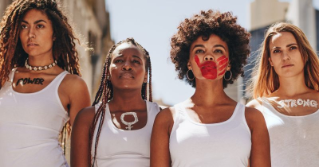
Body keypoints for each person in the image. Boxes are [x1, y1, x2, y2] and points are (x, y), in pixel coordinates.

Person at [151, 10, 270, 167]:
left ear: (229, 63)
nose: (208, 56)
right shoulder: (167, 120)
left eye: (217, 50)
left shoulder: (252, 119)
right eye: (200, 50)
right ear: (188, 63)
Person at [0, 0, 91, 167]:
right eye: (24, 26)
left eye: (39, 26)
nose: (31, 34)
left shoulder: (72, 85)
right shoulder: (3, 77)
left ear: (55, 33)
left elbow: (83, 152)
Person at [71, 38, 160, 167]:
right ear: (107, 72)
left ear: (146, 75)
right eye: (119, 61)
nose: (127, 66)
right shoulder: (88, 118)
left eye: (135, 61)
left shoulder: (162, 116)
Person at [247, 22, 319, 167]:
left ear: (304, 54)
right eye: (277, 51)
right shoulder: (256, 110)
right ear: (270, 61)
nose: (285, 56)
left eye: (292, 48)